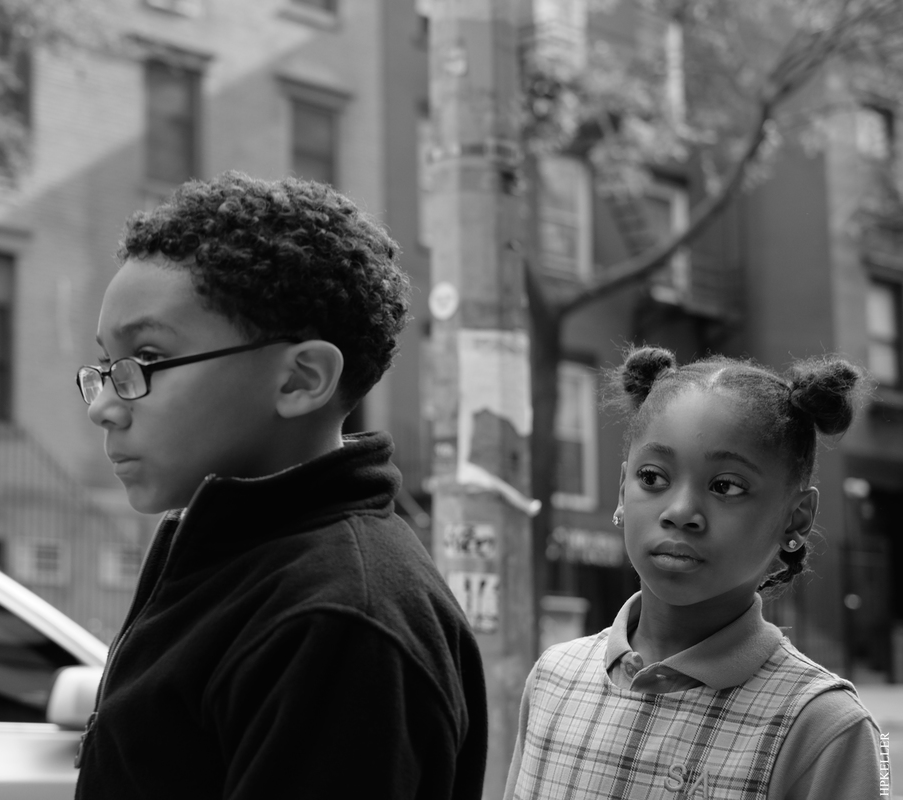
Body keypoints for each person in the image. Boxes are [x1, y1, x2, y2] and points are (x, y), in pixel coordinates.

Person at [73, 171, 488, 799]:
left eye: (148, 360)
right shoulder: (226, 553)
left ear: (301, 380)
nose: (104, 405)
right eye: (107, 365)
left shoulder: (341, 623)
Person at [505, 346, 885, 800]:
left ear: (796, 519)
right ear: (623, 490)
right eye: (652, 478)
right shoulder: (553, 678)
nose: (681, 511)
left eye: (726, 486)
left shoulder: (822, 728)